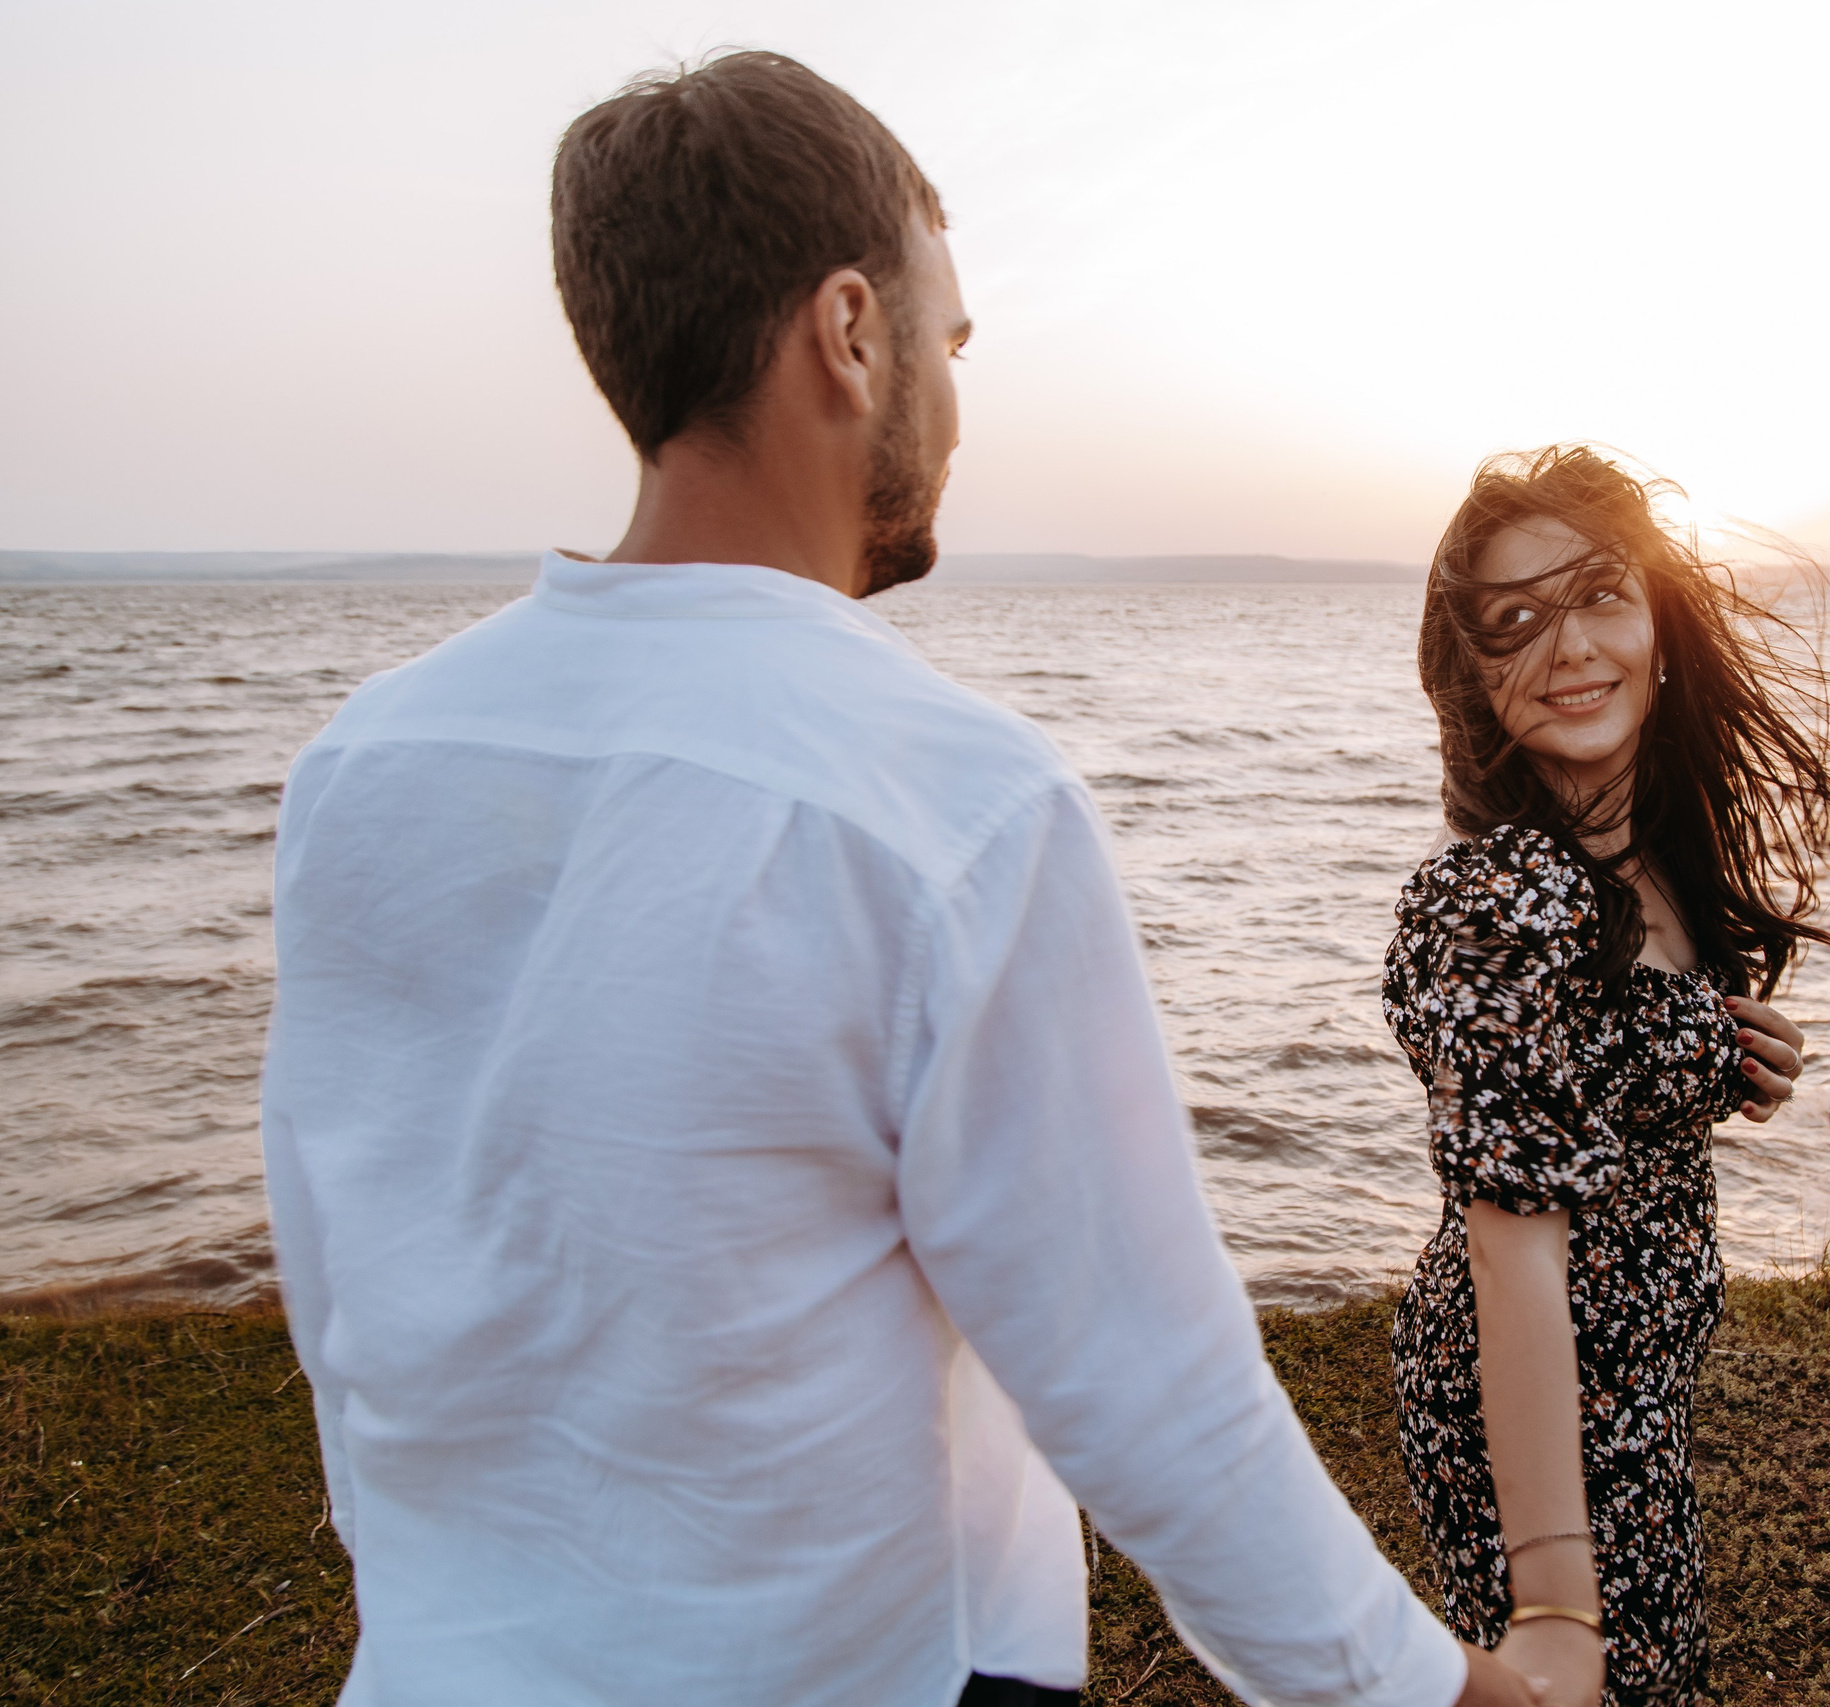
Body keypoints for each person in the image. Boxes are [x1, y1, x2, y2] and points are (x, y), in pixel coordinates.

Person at [259, 51, 1540, 1707]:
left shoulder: (363, 765)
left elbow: (343, 1274)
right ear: (849, 333)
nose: (953, 385)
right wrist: (1430, 1688)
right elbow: (1144, 1374)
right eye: (949, 339)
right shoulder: (949, 803)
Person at [1381, 448, 1830, 1707]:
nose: (1568, 647)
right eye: (1513, 622)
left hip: (1638, 1381)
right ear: (1474, 679)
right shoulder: (1503, 891)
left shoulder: (1643, 858)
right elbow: (1512, 1245)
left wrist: (1733, 1059)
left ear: (1660, 626)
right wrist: (1553, 1593)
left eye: (1599, 592)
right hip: (1539, 1403)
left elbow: (1611, 1069)